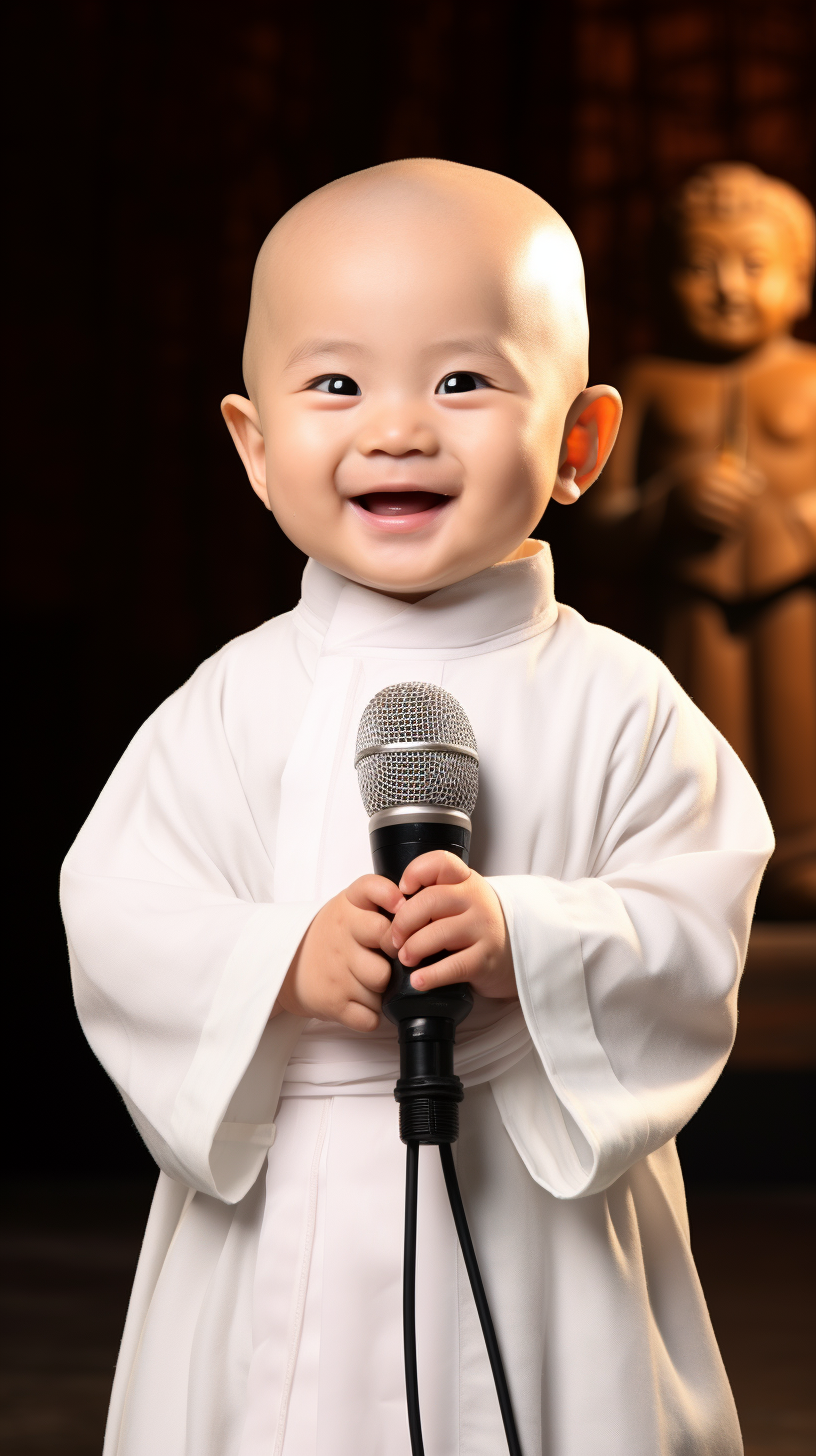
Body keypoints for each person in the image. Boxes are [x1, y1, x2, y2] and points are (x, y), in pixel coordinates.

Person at [61, 159, 772, 1456]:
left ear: (581, 444)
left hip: (537, 1214)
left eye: (462, 380)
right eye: (337, 383)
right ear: (254, 445)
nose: (397, 428)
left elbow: (696, 920)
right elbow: (121, 915)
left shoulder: (621, 700)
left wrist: (529, 941)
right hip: (286, 1212)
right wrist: (279, 961)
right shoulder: (226, 707)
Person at [590, 163, 816, 918]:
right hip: (686, 601)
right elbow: (597, 522)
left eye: (755, 264)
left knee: (799, 722)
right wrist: (666, 507)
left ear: (802, 281)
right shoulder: (647, 384)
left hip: (798, 601)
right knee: (698, 732)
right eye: (699, 265)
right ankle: (705, 866)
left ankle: (804, 857)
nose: (728, 287)